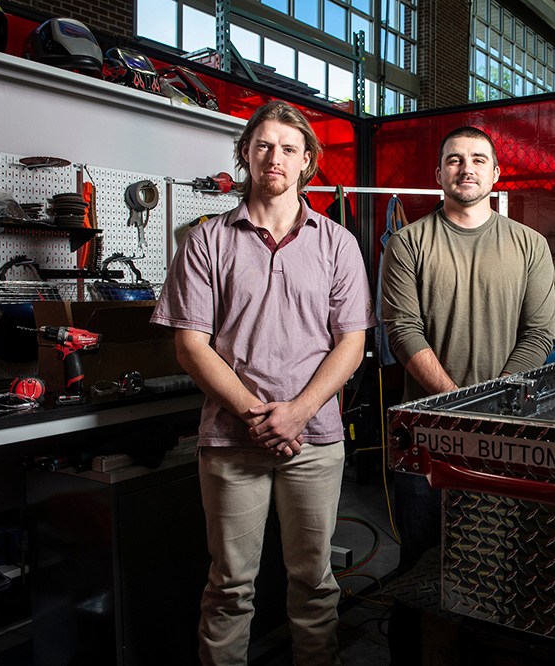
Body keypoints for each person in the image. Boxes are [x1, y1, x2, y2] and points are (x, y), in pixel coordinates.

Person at [152, 100, 375, 666]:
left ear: (308, 163)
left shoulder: (337, 244)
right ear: (246, 155)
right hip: (231, 441)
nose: (274, 157)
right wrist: (258, 414)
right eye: (263, 146)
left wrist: (298, 411)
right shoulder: (207, 241)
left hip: (315, 439)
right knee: (229, 586)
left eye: (288, 148)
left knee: (315, 582)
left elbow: (350, 343)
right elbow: (189, 344)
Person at [380, 125, 555, 571]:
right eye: (455, 159)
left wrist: (490, 405)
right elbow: (402, 330)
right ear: (439, 172)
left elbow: (538, 333)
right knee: (420, 561)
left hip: (503, 430)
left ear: (496, 173)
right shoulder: (407, 243)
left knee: (497, 560)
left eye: (478, 159)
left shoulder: (530, 245)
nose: (467, 168)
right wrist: (458, 405)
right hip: (426, 433)